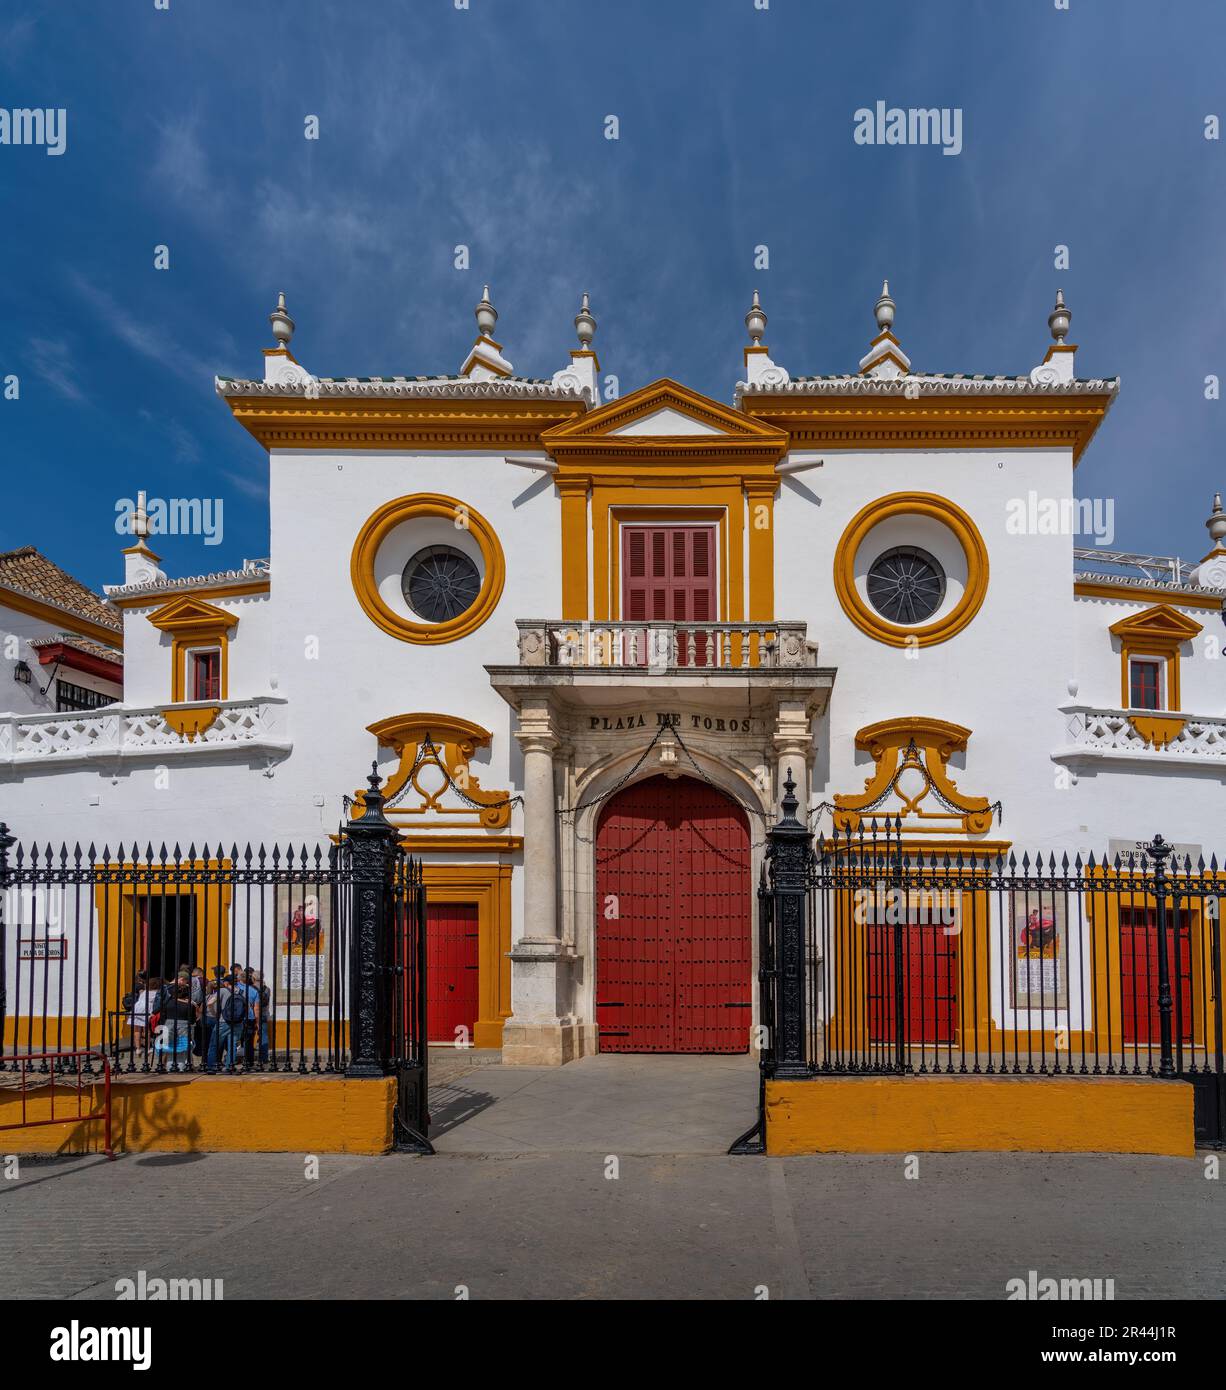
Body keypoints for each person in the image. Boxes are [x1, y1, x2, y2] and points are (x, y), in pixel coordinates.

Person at [155, 972, 198, 1070]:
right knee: (182, 1049)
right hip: (183, 1027)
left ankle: (168, 1067)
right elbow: (192, 1020)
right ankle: (182, 1067)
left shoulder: (167, 1003)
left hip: (168, 1026)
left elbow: (163, 1016)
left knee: (169, 1048)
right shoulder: (189, 1005)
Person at [126, 975, 162, 1055]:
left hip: (137, 1007)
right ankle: (148, 1048)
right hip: (146, 1008)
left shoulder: (145, 991)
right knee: (146, 1030)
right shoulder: (157, 992)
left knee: (137, 1030)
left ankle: (138, 1048)